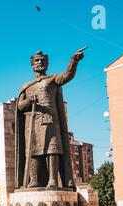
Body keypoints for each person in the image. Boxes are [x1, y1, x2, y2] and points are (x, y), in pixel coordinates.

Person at [16, 49, 84, 190]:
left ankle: (53, 180)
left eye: (42, 61)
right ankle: (34, 180)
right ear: (32, 65)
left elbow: (67, 76)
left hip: (50, 120)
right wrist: (28, 101)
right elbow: (20, 106)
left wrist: (74, 61)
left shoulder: (52, 79)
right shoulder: (26, 86)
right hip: (32, 122)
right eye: (37, 61)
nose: (40, 63)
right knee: (33, 151)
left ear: (47, 64)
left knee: (52, 149)